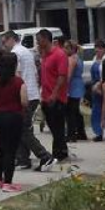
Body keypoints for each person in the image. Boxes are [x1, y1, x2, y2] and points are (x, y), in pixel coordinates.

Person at [4, 32, 55, 172]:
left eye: (4, 41)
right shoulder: (26, 51)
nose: (4, 45)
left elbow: (17, 75)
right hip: (32, 93)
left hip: (24, 95)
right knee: (21, 128)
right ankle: (23, 159)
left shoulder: (15, 53)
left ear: (11, 39)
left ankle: (44, 156)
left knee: (23, 129)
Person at [0, 52, 28, 193]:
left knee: (1, 148)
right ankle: (8, 183)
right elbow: (24, 101)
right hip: (12, 117)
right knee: (10, 151)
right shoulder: (18, 82)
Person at [37, 30, 69, 162]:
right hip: (45, 96)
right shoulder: (44, 55)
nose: (37, 42)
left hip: (57, 97)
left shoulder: (59, 54)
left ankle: (58, 153)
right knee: (52, 126)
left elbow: (62, 77)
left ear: (45, 39)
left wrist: (54, 94)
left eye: (38, 39)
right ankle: (62, 149)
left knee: (57, 127)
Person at [89, 40, 105, 142]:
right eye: (96, 48)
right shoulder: (95, 58)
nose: (98, 50)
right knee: (96, 111)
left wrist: (99, 85)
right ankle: (98, 133)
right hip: (95, 88)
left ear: (104, 49)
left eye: (100, 48)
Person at [64, 40, 88, 142]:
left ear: (72, 49)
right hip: (78, 85)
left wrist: (65, 88)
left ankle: (71, 134)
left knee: (70, 112)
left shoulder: (72, 59)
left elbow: (69, 75)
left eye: (66, 48)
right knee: (76, 111)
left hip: (73, 87)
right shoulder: (78, 58)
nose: (64, 50)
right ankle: (81, 132)